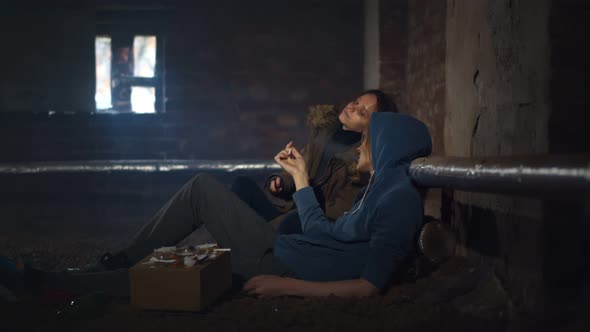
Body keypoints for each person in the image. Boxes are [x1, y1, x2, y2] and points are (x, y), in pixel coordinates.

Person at [231, 89, 398, 235]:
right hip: (291, 210)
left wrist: (307, 203)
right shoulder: (324, 133)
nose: (351, 107)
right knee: (242, 185)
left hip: (310, 223)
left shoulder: (361, 163)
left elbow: (340, 215)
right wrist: (283, 181)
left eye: (361, 113)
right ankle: (239, 243)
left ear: (372, 127)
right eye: (355, 101)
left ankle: (245, 245)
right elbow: (303, 168)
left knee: (289, 221)